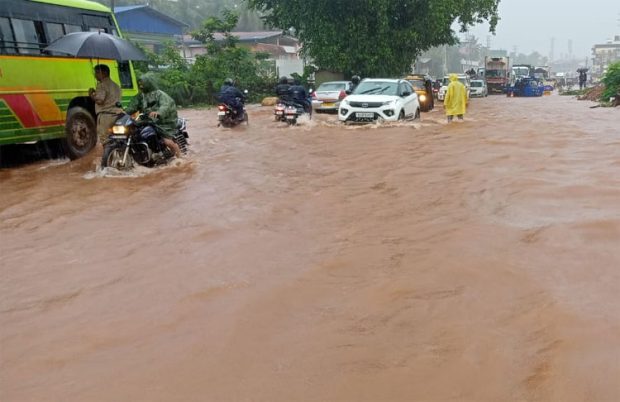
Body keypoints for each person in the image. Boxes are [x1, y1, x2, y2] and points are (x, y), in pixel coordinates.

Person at [125, 74, 181, 157]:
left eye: (143, 83)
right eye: (139, 83)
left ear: (149, 83)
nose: (141, 85)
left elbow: (165, 106)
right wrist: (123, 113)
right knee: (134, 133)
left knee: (167, 141)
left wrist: (158, 113)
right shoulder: (140, 96)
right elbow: (132, 107)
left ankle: (180, 158)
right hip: (147, 120)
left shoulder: (161, 95)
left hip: (164, 122)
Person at [88, 64, 122, 145]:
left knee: (105, 140)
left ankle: (109, 157)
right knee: (117, 139)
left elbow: (99, 100)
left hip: (105, 117)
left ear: (104, 73)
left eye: (97, 72)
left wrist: (92, 94)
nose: (95, 75)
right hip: (117, 116)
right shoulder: (116, 86)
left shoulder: (102, 85)